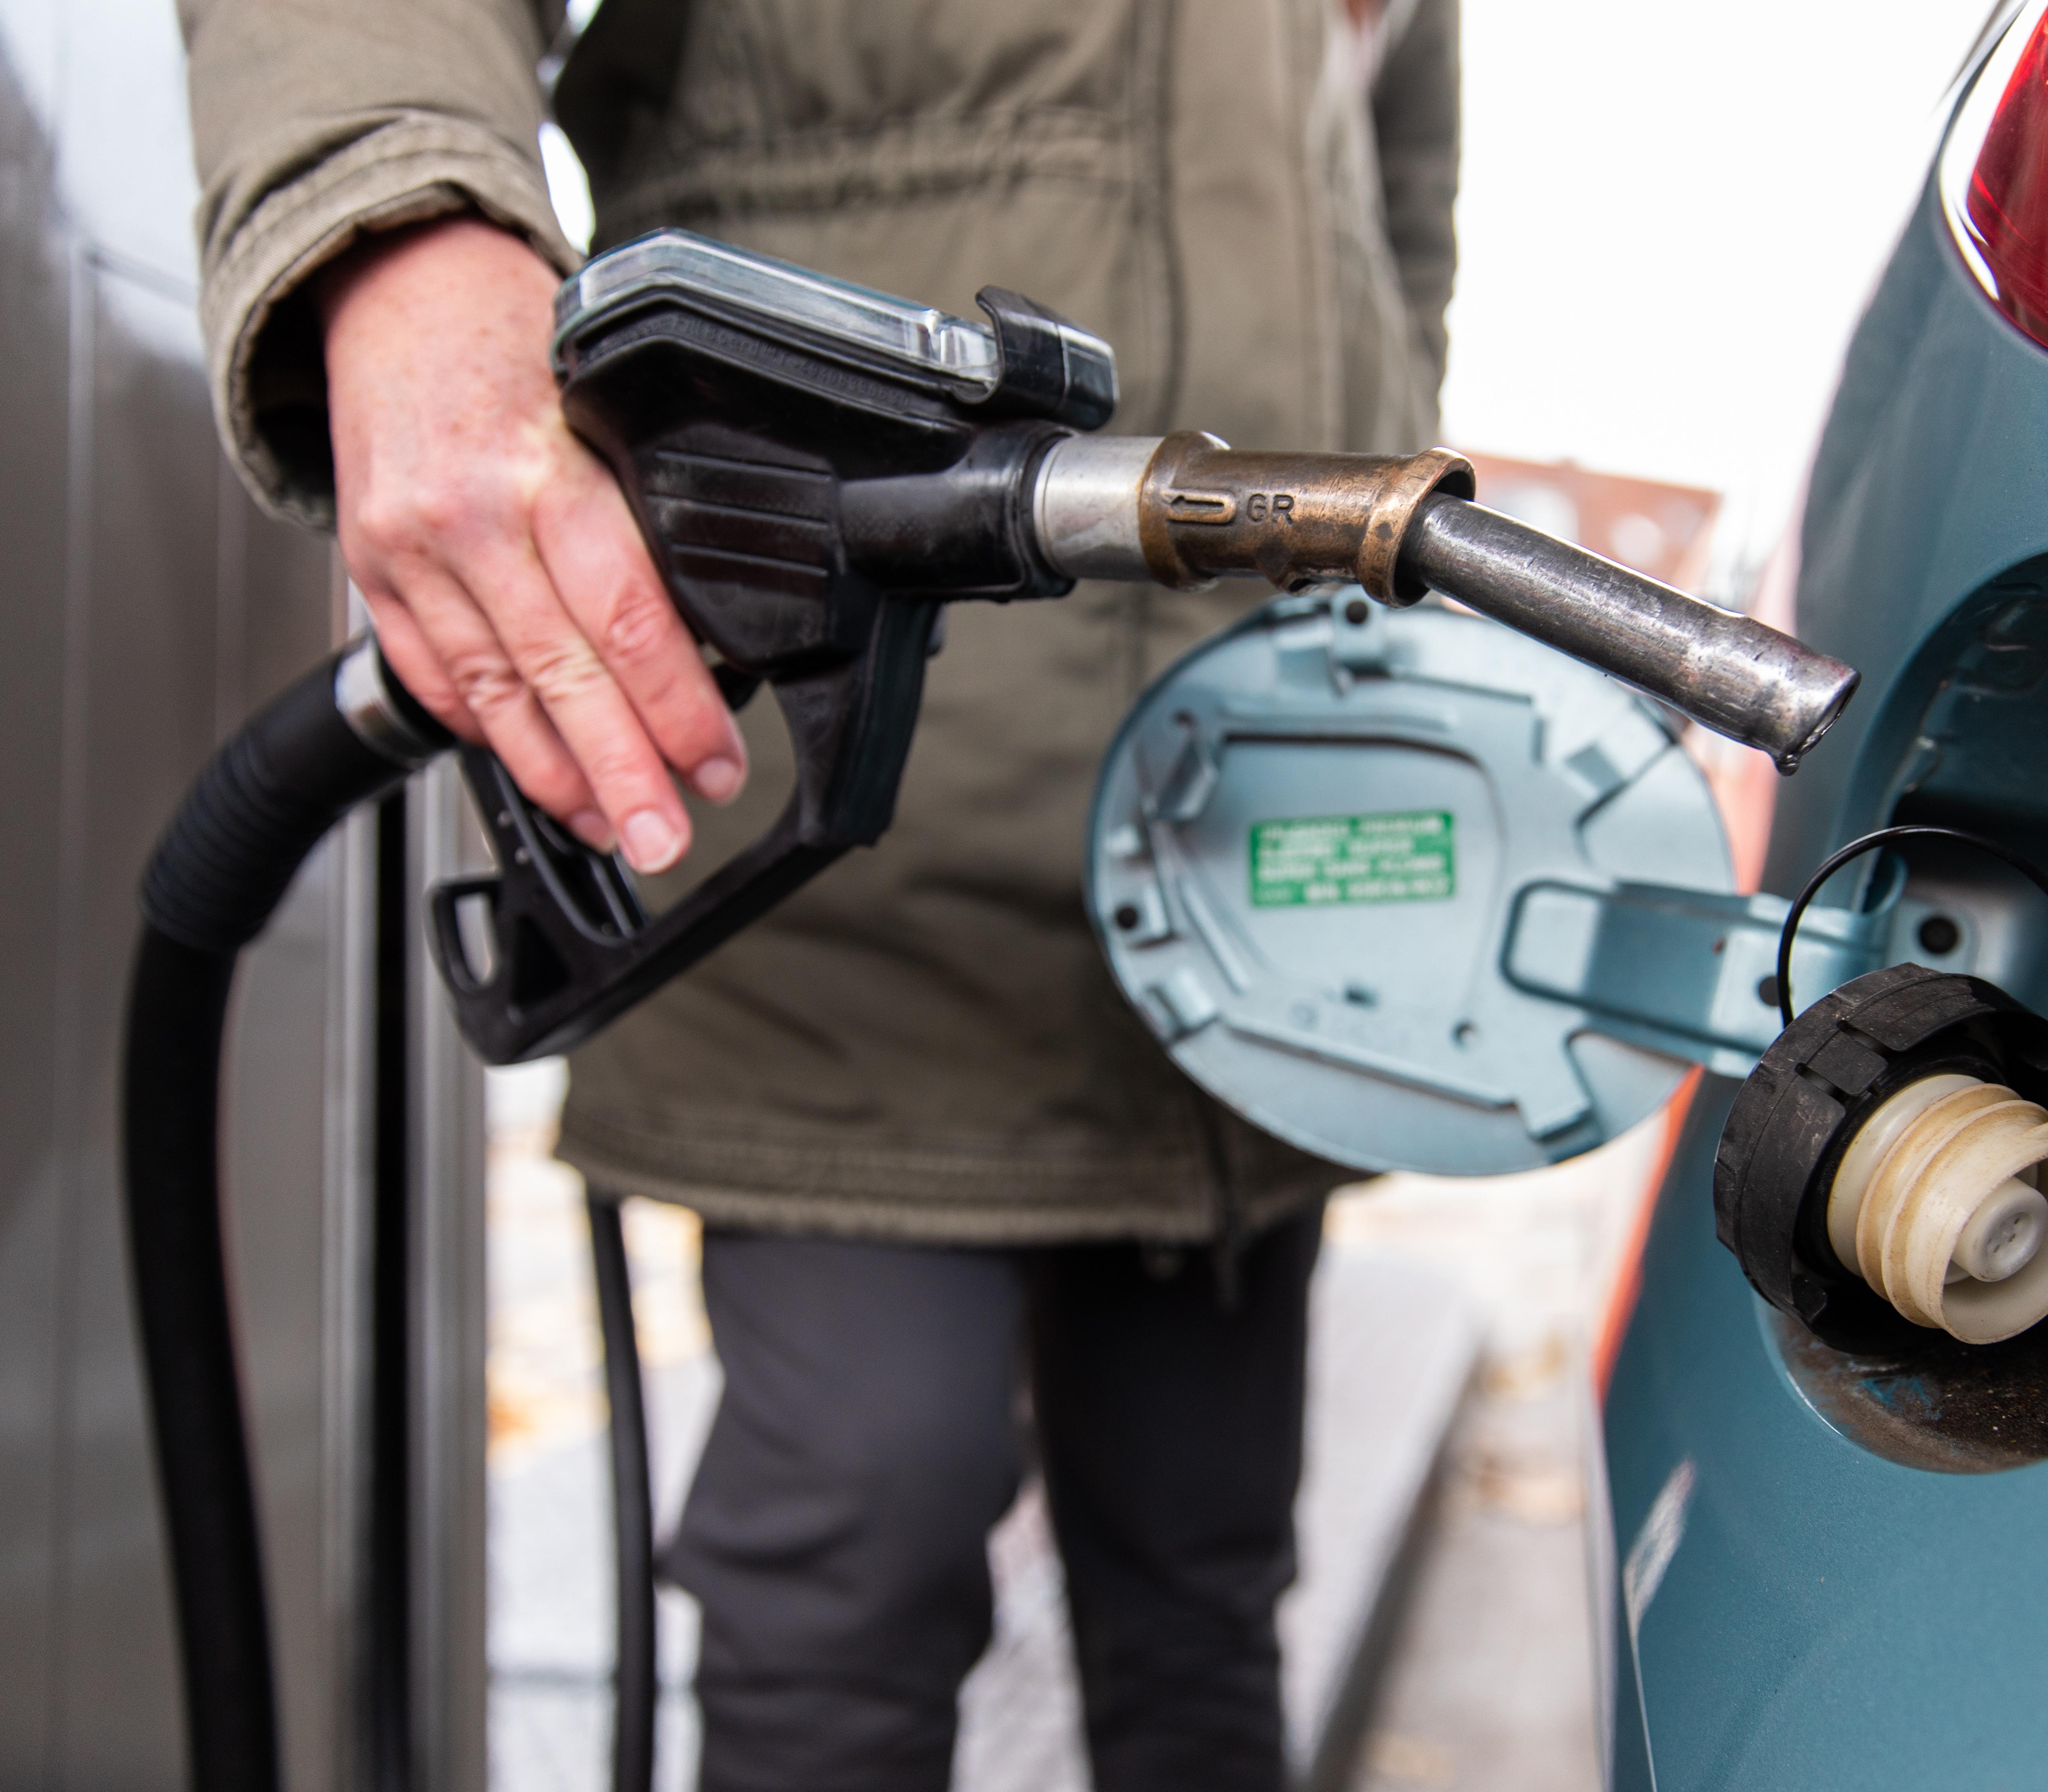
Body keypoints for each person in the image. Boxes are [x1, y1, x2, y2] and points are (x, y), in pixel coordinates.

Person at [179, 2, 1460, 1787]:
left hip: (1249, 837)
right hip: (835, 795)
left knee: (1206, 1549)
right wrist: (395, 214)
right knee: (863, 1530)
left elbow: (1404, 189)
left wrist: (1379, 453)